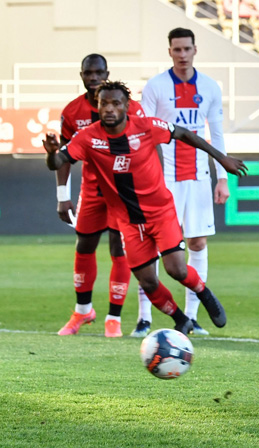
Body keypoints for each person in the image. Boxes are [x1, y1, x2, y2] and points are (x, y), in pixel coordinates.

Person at [43, 80, 248, 335]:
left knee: (177, 269)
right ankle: (180, 319)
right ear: (97, 106)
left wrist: (221, 158)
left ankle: (202, 291)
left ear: (127, 106)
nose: (109, 108)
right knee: (148, 281)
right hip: (128, 221)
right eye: (103, 103)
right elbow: (58, 161)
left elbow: (183, 133)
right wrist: (52, 153)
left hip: (160, 212)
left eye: (115, 103)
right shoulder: (88, 138)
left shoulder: (146, 127)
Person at [133, 27, 231, 337]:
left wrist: (222, 178)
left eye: (187, 49)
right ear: (170, 51)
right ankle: (145, 317)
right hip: (162, 180)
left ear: (195, 49)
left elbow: (216, 134)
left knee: (197, 243)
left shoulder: (211, 87)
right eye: (177, 50)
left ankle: (192, 316)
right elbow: (142, 132)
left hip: (199, 178)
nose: (182, 55)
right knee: (153, 247)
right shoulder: (156, 86)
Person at [54, 54, 145, 338]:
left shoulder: (131, 109)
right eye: (87, 73)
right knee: (84, 246)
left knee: (119, 248)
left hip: (123, 191)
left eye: (98, 73)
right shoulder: (72, 113)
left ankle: (113, 319)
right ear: (81, 75)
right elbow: (64, 156)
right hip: (92, 190)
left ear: (107, 74)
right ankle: (83, 311)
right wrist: (62, 195)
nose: (93, 78)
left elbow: (145, 149)